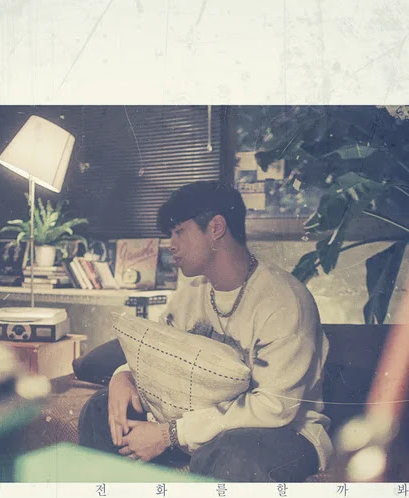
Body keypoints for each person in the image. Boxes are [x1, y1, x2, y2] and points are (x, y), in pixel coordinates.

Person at [79, 181, 333, 482]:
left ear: (216, 228)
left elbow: (273, 408)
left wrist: (169, 434)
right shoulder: (191, 293)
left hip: (283, 432)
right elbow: (157, 354)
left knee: (231, 454)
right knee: (99, 409)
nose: (171, 244)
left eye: (179, 232)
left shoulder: (283, 301)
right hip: (195, 424)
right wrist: (124, 376)